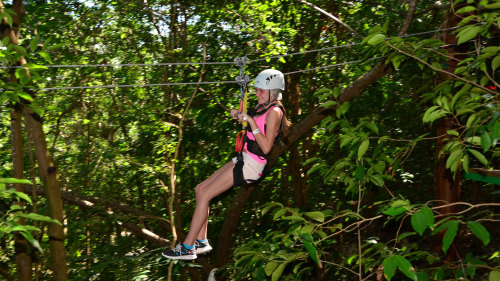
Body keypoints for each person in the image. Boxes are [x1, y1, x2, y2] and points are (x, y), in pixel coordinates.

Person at [162, 69, 291, 260]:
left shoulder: (275, 112)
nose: (257, 94)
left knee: (205, 194)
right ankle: (201, 241)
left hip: (253, 165)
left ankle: (187, 247)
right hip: (244, 158)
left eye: (261, 91)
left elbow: (265, 147)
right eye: (256, 90)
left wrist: (251, 122)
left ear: (273, 91)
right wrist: (239, 115)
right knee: (200, 190)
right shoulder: (263, 106)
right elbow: (250, 122)